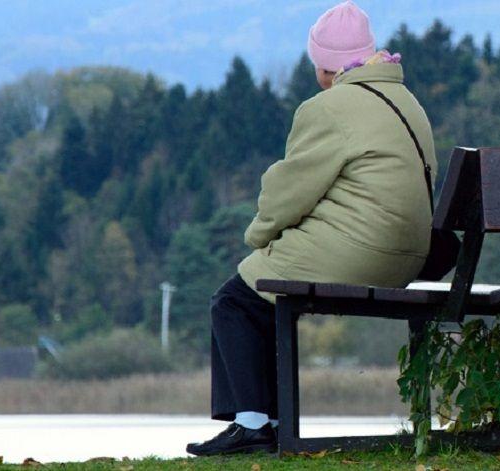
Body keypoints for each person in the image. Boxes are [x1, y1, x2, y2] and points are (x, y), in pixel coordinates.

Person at [186, 0, 436, 456]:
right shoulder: (407, 101)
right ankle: (270, 421)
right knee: (262, 298)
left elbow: (289, 192)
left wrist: (259, 238)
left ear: (324, 66)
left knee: (236, 298)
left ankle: (253, 423)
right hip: (408, 258)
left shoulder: (329, 107)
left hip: (359, 252)